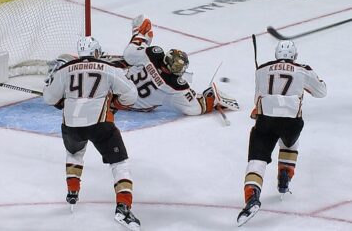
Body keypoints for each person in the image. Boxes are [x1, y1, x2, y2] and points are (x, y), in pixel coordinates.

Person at [43, 36, 141, 231]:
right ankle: (123, 207)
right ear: (97, 52)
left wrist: (61, 101)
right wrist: (115, 104)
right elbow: (132, 95)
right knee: (119, 162)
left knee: (74, 152)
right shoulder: (108, 68)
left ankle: (72, 192)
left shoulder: (64, 70)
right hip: (100, 124)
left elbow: (49, 98)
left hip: (70, 125)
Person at [237, 40, 327, 226]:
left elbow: (258, 98)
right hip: (292, 123)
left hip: (265, 121)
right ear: (294, 55)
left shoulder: (261, 69)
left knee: (257, 160)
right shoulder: (302, 69)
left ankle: (252, 196)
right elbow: (321, 92)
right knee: (290, 142)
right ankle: (285, 173)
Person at [122, 14, 239, 114]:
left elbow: (129, 55)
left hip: (119, 86)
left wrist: (140, 39)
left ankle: (139, 37)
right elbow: (194, 109)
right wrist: (211, 101)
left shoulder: (154, 56)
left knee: (129, 59)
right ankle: (139, 39)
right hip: (129, 104)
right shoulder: (174, 86)